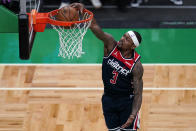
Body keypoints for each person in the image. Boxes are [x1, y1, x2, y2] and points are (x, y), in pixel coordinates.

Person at [71, 3, 144, 131]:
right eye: (124, 36)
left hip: (126, 102)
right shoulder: (111, 44)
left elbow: (138, 93)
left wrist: (133, 115)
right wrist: (84, 10)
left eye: (127, 40)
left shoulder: (136, 65)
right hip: (108, 99)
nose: (122, 39)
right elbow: (94, 25)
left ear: (132, 47)